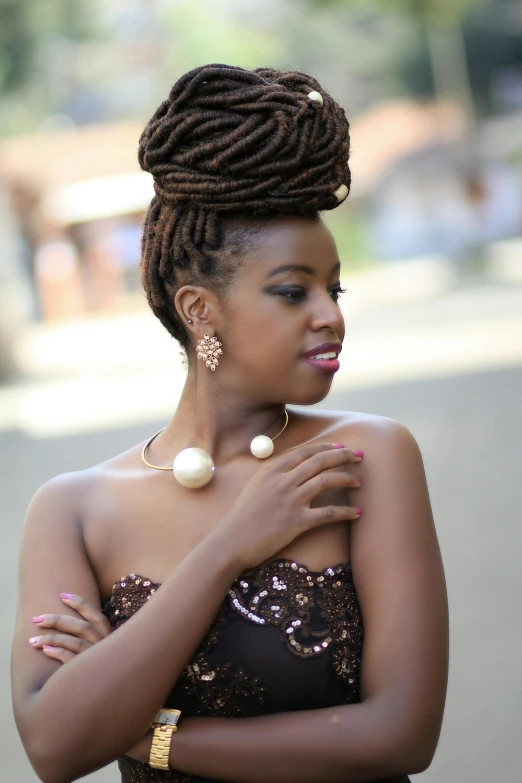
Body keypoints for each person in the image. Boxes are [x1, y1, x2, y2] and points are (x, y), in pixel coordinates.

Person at [11, 64, 448, 783]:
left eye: (332, 287)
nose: (329, 313)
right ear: (200, 310)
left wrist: (143, 733)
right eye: (291, 290)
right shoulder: (72, 509)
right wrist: (230, 546)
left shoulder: (364, 457)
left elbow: (400, 734)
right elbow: (54, 747)